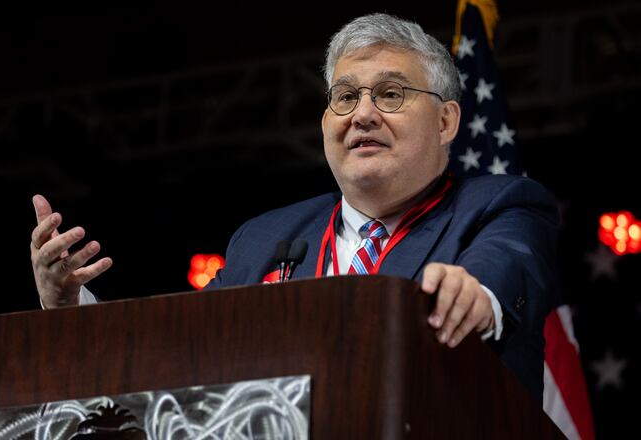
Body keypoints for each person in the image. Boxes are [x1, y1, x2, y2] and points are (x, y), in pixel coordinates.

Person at [29, 13, 558, 402]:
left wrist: (475, 294)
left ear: (445, 122)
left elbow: (504, 265)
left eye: (391, 94)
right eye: (345, 97)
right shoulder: (264, 238)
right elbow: (172, 347)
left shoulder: (499, 205)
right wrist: (71, 308)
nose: (363, 115)